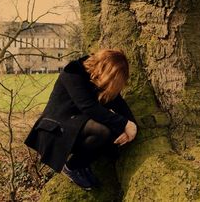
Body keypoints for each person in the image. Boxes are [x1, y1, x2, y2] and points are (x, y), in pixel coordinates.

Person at [24, 49, 138, 189]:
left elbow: (118, 102)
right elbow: (88, 107)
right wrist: (124, 123)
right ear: (105, 70)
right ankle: (71, 167)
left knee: (114, 133)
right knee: (102, 131)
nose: (111, 86)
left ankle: (83, 163)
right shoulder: (73, 72)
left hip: (77, 127)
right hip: (56, 130)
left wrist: (132, 126)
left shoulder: (98, 77)